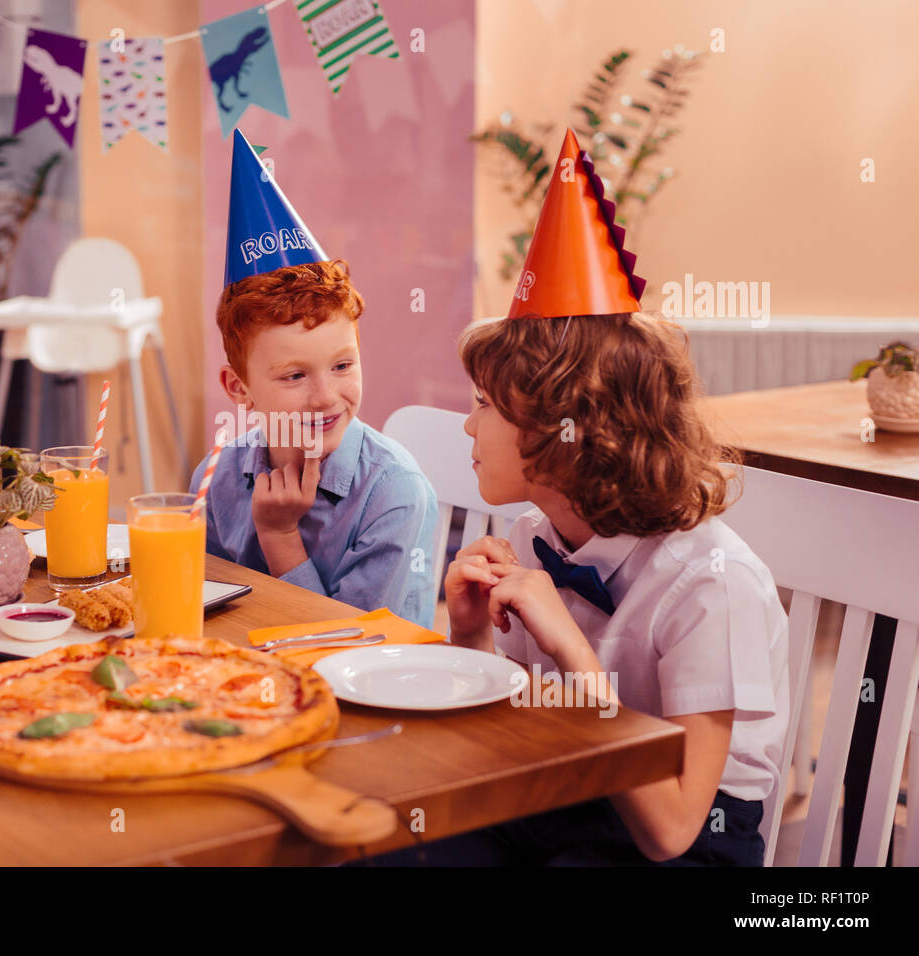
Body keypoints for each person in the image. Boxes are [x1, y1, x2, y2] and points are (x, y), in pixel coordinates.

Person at [380, 129, 789, 865]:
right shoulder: (540, 535)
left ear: (564, 431)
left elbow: (668, 832)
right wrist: (472, 639)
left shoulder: (711, 588)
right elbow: (499, 743)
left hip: (683, 834)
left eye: (484, 404)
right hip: (560, 788)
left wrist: (572, 653)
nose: (468, 424)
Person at [189, 130, 438, 627]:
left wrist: (280, 538)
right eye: (295, 375)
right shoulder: (213, 480)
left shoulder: (393, 492)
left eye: (343, 365)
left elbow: (352, 649)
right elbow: (208, 613)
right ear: (239, 389)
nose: (325, 397)